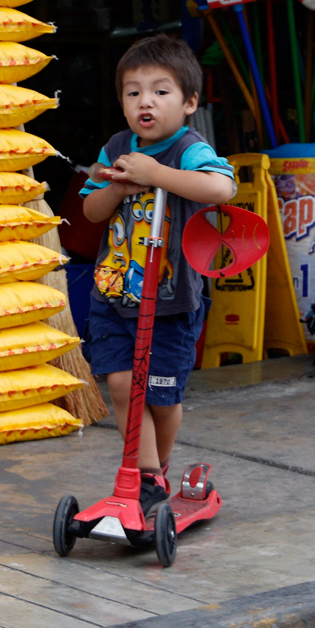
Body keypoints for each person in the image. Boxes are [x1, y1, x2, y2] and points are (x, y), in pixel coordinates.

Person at [79, 35, 237, 515]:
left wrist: (154, 174)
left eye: (160, 91)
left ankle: (159, 469)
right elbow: (90, 211)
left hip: (170, 301)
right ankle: (143, 479)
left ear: (189, 102)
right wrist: (116, 185)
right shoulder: (117, 147)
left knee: (163, 398)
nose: (145, 101)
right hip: (114, 293)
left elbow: (222, 188)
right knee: (124, 386)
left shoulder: (188, 149)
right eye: (133, 92)